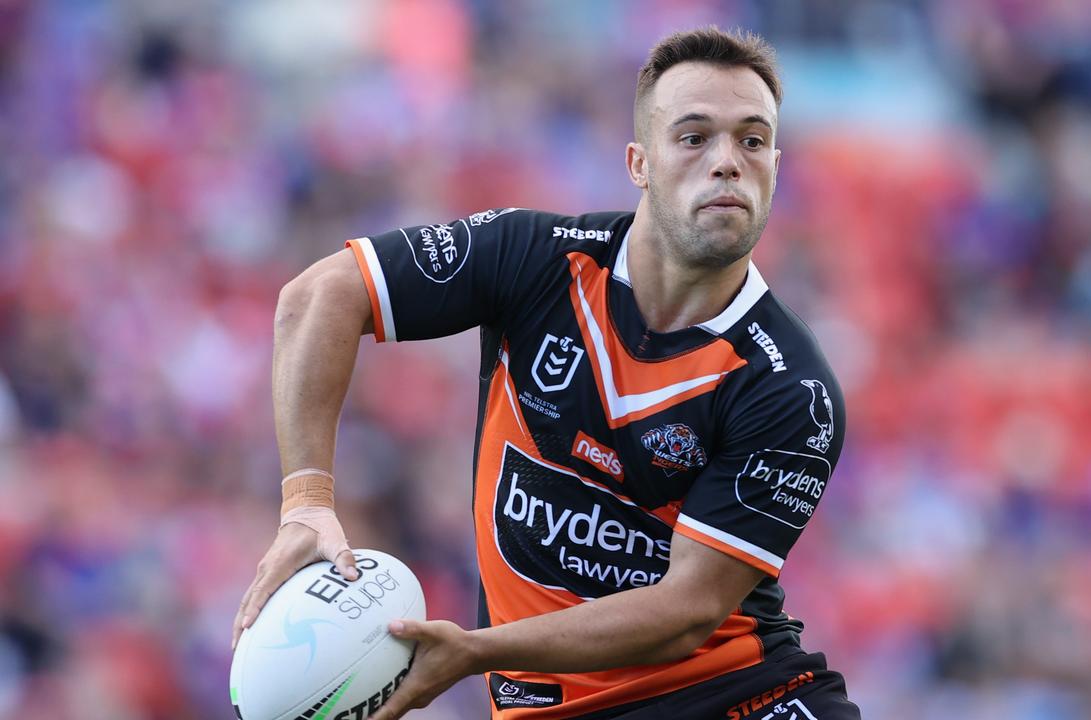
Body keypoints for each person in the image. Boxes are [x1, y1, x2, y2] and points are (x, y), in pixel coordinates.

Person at [232, 26, 860, 719]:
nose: (726, 162)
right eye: (693, 137)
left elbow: (688, 612)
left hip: (737, 699)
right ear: (640, 162)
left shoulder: (789, 386)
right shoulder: (535, 259)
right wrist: (307, 502)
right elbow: (318, 296)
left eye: (751, 139)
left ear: (775, 162)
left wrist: (479, 650)